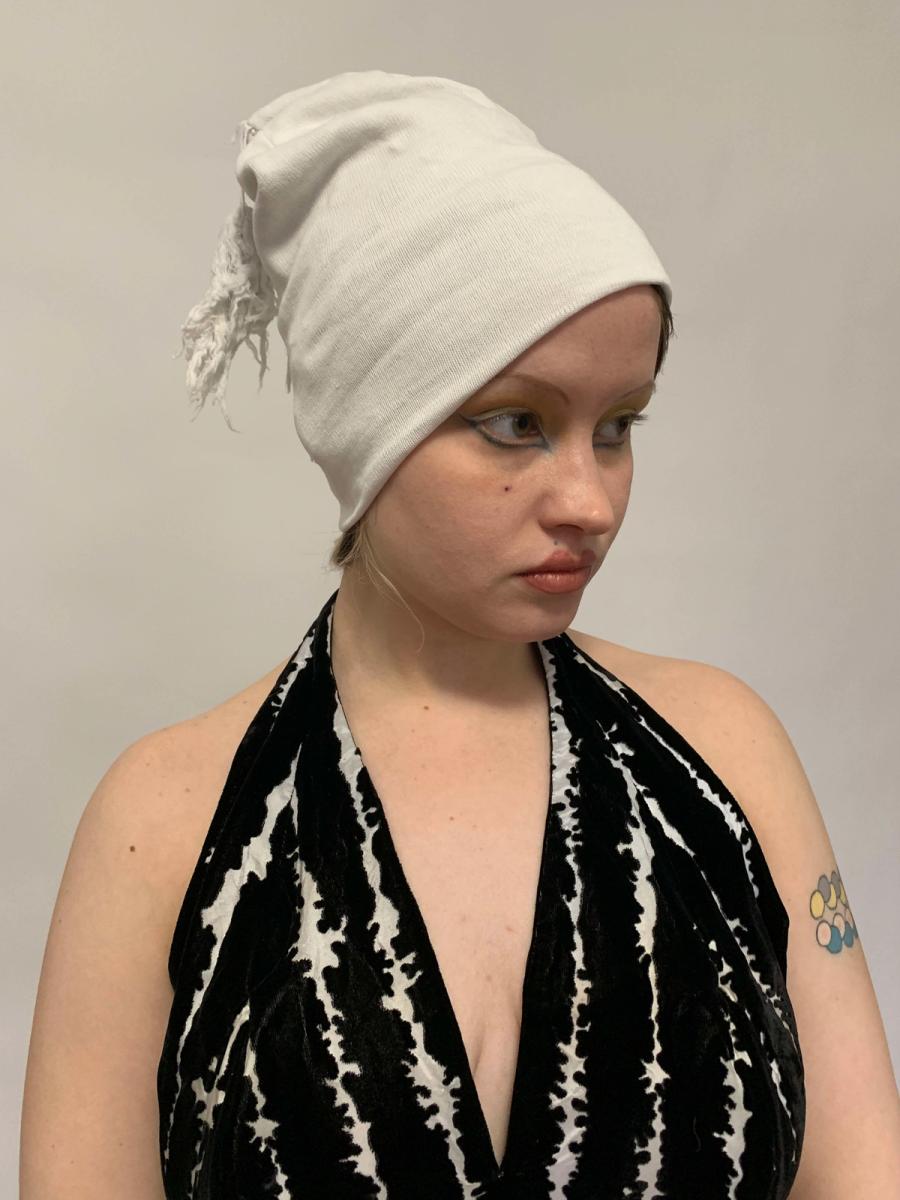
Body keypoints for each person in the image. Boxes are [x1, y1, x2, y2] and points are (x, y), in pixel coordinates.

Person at [20, 71, 900, 1200]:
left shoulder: (726, 759)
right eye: (516, 423)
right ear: (369, 426)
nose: (589, 500)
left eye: (618, 426)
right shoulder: (167, 824)